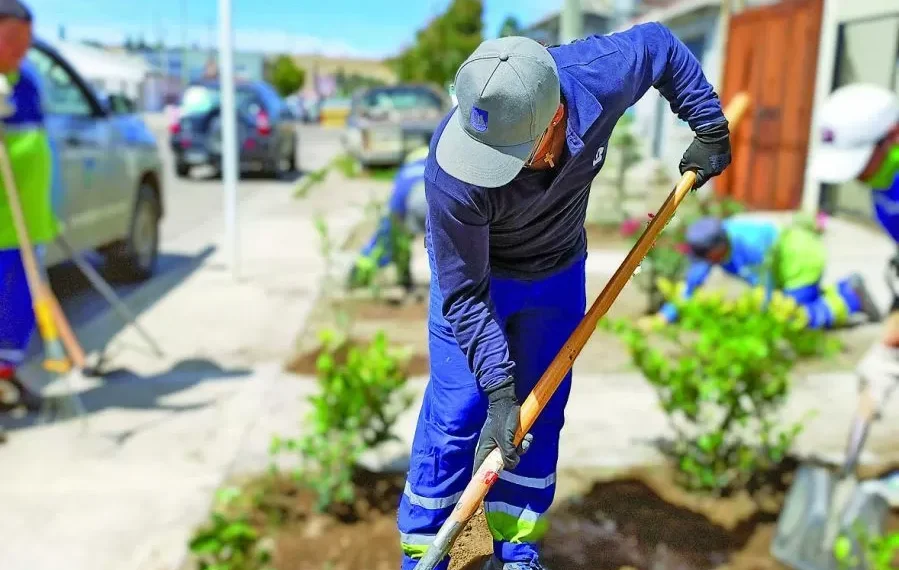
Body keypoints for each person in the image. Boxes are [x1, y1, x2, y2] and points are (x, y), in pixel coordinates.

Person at [398, 25, 733, 570]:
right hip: (476, 282)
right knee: (460, 412)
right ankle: (423, 551)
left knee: (539, 415)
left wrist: (708, 123)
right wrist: (499, 388)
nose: (487, 169)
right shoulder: (452, 171)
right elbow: (461, 293)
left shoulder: (596, 76)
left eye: (505, 155)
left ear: (554, 121)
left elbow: (660, 46)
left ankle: (518, 546)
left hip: (556, 272)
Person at [807, 84, 899, 391]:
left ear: (893, 136)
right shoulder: (882, 184)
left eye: (860, 160)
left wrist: (889, 342)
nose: (855, 176)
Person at [639, 215, 880, 330]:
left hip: (801, 260)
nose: (701, 264)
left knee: (793, 317)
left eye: (704, 258)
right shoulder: (713, 247)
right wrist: (664, 318)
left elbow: (765, 293)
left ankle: (851, 298)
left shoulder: (751, 247)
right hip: (783, 264)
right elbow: (692, 285)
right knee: (790, 304)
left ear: (719, 248)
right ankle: (844, 288)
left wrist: (755, 327)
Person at [0, 0, 56, 413]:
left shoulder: (27, 82)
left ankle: (6, 381)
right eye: (13, 38)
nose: (23, 47)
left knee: (19, 316)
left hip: (28, 224)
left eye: (27, 39)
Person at [348, 146, 429, 292]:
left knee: (391, 238)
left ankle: (359, 274)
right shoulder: (438, 168)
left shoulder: (404, 174)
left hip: (411, 204)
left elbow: (393, 212)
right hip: (436, 207)